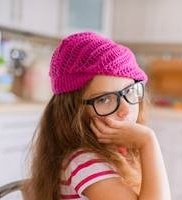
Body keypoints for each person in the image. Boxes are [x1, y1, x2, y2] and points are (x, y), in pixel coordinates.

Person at [24, 32, 171, 200]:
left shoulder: (116, 150)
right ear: (73, 110)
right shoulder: (84, 162)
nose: (125, 109)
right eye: (104, 99)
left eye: (129, 91)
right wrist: (148, 141)